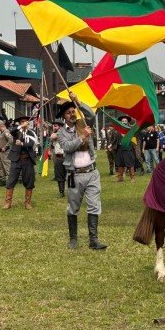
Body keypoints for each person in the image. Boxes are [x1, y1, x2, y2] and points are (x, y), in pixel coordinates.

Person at [56, 95, 106, 250]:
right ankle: (73, 239)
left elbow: (91, 114)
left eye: (73, 111)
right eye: (69, 112)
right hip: (74, 175)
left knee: (94, 205)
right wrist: (82, 137)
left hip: (91, 172)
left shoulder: (83, 123)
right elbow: (68, 147)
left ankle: (94, 240)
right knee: (73, 207)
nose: (72, 114)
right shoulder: (61, 133)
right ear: (64, 116)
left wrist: (78, 102)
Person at [3, 116, 38, 210]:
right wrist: (21, 126)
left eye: (26, 121)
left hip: (27, 160)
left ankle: (28, 203)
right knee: (11, 180)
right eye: (22, 122)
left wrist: (22, 144)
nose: (24, 123)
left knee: (29, 181)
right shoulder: (16, 131)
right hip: (16, 159)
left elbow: (31, 143)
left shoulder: (32, 133)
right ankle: (8, 202)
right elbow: (11, 131)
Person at [113, 116, 137, 182]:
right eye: (123, 121)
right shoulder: (118, 130)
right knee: (120, 164)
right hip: (120, 149)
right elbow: (116, 139)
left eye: (125, 121)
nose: (124, 122)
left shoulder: (130, 129)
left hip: (128, 149)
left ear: (127, 122)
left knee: (130, 163)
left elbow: (133, 138)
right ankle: (120, 178)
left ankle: (132, 178)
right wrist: (111, 145)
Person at [49, 119, 66, 198]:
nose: (54, 127)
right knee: (59, 176)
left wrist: (57, 131)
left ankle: (73, 191)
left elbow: (54, 136)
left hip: (66, 157)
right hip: (58, 157)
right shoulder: (54, 133)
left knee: (71, 175)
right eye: (53, 126)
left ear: (60, 127)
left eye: (55, 126)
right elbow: (52, 139)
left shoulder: (64, 132)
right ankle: (61, 192)